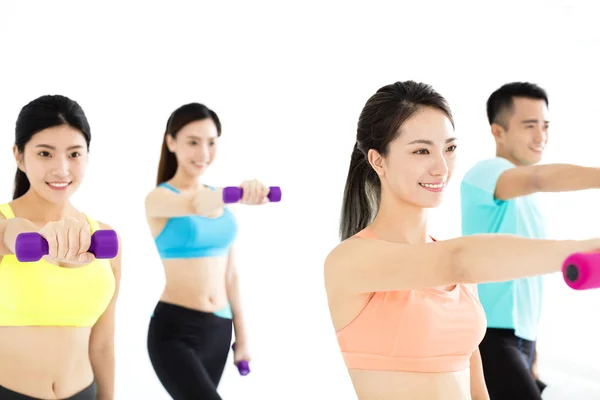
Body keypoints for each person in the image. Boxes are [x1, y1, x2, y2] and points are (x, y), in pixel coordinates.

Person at [323, 80, 600, 400]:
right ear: (378, 160)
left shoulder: (460, 279)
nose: (441, 167)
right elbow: (458, 261)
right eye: (421, 150)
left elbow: (477, 388)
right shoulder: (349, 261)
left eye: (450, 148)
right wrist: (579, 248)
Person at [460, 82, 600, 399]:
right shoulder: (485, 174)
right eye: (529, 125)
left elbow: (525, 284)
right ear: (498, 132)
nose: (541, 136)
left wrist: (531, 349)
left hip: (522, 339)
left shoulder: (531, 203)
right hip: (490, 337)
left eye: (545, 125)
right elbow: (540, 177)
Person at [144, 103, 271, 400]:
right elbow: (195, 204)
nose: (203, 153)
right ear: (171, 142)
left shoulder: (219, 203)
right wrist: (237, 193)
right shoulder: (159, 199)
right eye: (192, 142)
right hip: (174, 330)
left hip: (219, 329)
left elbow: (231, 276)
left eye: (211, 142)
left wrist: (243, 338)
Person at [0, 95, 121, 400]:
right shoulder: (6, 222)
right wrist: (28, 232)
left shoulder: (104, 237)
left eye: (74, 154)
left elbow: (103, 343)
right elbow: (10, 233)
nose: (62, 169)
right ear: (18, 155)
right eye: (45, 153)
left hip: (84, 392)